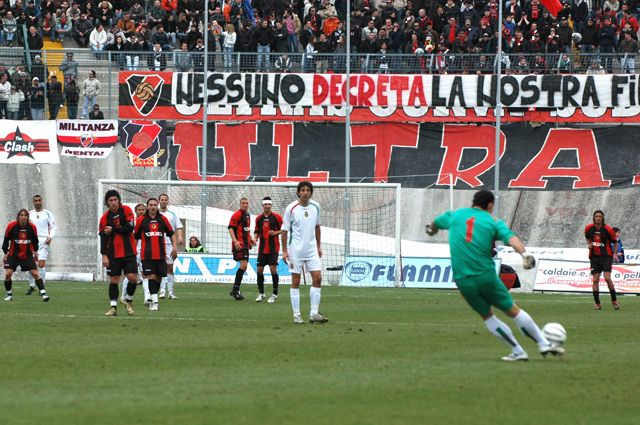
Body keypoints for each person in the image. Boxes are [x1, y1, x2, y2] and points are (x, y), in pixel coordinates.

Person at [425, 190, 564, 361]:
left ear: (474, 202)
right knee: (513, 311)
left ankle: (518, 351)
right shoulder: (493, 221)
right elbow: (511, 239)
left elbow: (433, 225)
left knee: (488, 317)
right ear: (490, 205)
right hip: (486, 276)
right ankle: (543, 343)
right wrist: (524, 254)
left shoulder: (455, 215)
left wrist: (431, 229)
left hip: (463, 280)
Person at [281, 181, 327, 324]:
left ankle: (314, 313)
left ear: (311, 193)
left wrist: (318, 246)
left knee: (317, 278)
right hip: (296, 250)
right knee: (296, 281)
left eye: (308, 190)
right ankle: (296, 314)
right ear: (298, 192)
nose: (305, 192)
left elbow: (317, 227)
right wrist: (284, 251)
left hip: (312, 250)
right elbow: (284, 230)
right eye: (303, 190)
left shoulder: (316, 207)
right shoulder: (291, 208)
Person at [99, 189, 138, 316]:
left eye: (116, 200)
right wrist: (104, 255)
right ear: (107, 203)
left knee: (132, 278)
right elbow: (103, 238)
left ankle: (128, 300)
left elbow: (129, 228)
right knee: (114, 279)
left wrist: (114, 229)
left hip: (129, 252)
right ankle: (113, 307)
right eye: (111, 200)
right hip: (113, 254)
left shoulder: (126, 210)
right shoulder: (104, 218)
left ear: (119, 201)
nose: (114, 202)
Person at [134, 198, 175, 311]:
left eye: (154, 205)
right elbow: (136, 237)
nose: (152, 207)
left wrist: (175, 247)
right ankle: (155, 302)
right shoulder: (141, 220)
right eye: (150, 205)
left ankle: (153, 297)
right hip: (146, 255)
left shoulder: (163, 219)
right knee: (150, 276)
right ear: (147, 206)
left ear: (157, 206)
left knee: (158, 278)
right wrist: (133, 251)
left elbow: (171, 234)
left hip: (161, 254)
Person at [3, 209, 50, 302]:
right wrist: (5, 252)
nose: (23, 217)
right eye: (21, 215)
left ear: (28, 217)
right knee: (8, 274)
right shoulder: (11, 226)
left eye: (25, 215)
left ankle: (44, 294)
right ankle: (9, 294)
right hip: (13, 255)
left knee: (35, 273)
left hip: (27, 255)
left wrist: (36, 251)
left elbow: (35, 240)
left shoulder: (32, 227)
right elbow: (6, 239)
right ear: (18, 216)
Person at [585, 210, 620, 310]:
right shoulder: (588, 228)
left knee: (607, 278)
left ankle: (614, 301)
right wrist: (589, 244)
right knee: (595, 279)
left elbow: (615, 242)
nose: (598, 218)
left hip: (606, 257)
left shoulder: (608, 229)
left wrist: (615, 253)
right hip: (594, 257)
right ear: (594, 217)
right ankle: (597, 304)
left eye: (600, 216)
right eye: (596, 216)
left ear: (602, 218)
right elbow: (587, 238)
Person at [253, 196, 282, 303]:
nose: (267, 206)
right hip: (262, 249)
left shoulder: (277, 217)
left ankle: (274, 294)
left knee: (273, 270)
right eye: (265, 204)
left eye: (269, 204)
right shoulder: (258, 218)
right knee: (259, 270)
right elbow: (257, 231)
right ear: (262, 205)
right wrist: (255, 239)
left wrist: (275, 233)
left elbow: (284, 230)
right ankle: (261, 293)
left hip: (273, 248)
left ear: (271, 205)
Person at [26, 195, 56, 295]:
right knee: (31, 264)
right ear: (33, 202)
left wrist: (50, 237)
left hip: (43, 240)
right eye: (35, 201)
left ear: (42, 201)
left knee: (41, 264)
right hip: (31, 241)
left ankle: (41, 287)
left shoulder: (47, 213)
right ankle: (32, 286)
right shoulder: (29, 214)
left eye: (39, 200)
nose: (37, 202)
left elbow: (53, 227)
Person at [121, 203, 148, 306]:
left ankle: (147, 298)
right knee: (130, 275)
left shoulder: (147, 222)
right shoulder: (132, 223)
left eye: (143, 209)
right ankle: (123, 296)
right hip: (132, 251)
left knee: (146, 275)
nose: (141, 211)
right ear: (135, 211)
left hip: (145, 251)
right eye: (139, 210)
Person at [227, 197, 254, 300]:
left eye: (247, 203)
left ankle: (235, 289)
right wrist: (235, 241)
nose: (245, 205)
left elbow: (245, 230)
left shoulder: (247, 215)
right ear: (240, 204)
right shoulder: (236, 215)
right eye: (243, 203)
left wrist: (250, 239)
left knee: (244, 266)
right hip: (239, 245)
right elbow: (230, 228)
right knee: (243, 265)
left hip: (246, 245)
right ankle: (235, 290)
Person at [158, 193, 183, 299]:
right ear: (159, 201)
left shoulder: (172, 214)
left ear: (168, 201)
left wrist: (180, 237)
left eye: (165, 199)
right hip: (157, 243)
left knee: (170, 267)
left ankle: (171, 292)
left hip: (169, 243)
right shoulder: (155, 213)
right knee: (161, 268)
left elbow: (178, 226)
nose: (163, 201)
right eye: (162, 199)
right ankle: (162, 291)